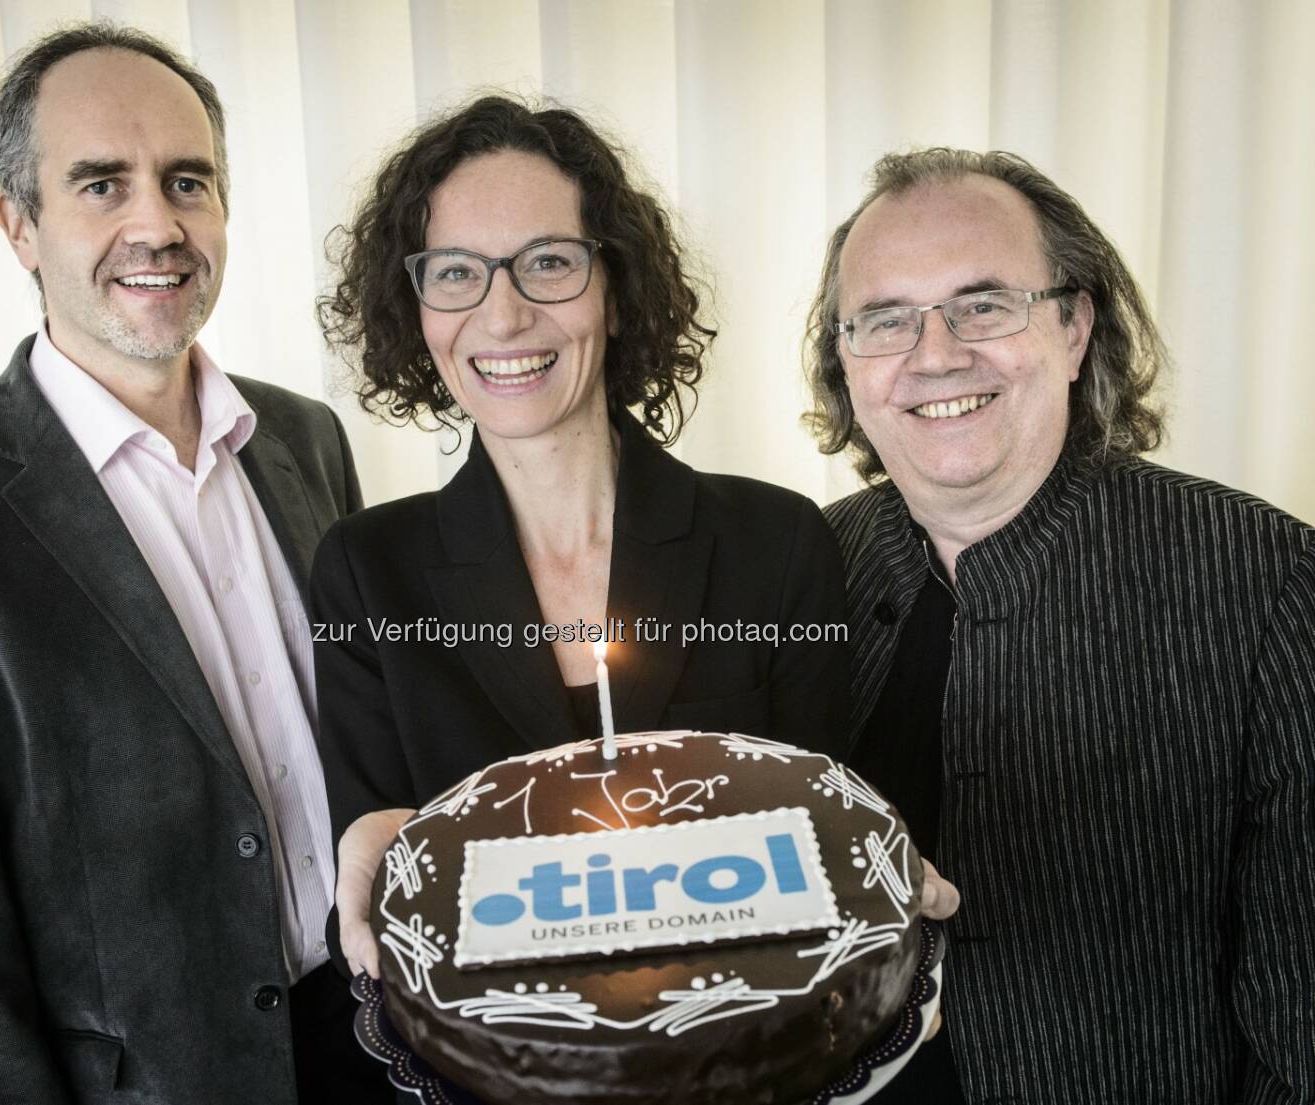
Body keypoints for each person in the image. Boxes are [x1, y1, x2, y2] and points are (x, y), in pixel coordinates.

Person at [0, 23, 382, 1105]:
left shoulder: (306, 440)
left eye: (186, 181)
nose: (157, 223)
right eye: (101, 184)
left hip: (382, 1041)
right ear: (20, 226)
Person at [308, 95, 880, 983]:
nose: (503, 318)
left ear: (616, 294)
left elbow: (822, 856)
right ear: (415, 310)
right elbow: (398, 877)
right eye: (456, 272)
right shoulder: (365, 573)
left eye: (548, 262)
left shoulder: (776, 543)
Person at [807, 147, 1315, 1102]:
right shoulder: (795, 570)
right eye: (884, 320)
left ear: (1077, 327)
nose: (935, 354)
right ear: (846, 358)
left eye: (984, 304)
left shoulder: (1271, 580)